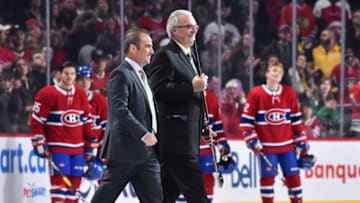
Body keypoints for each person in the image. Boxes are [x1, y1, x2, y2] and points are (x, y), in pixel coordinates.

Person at [91, 28, 162, 203]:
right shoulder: (120, 74)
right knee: (104, 198)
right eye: (148, 46)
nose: (152, 51)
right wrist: (143, 133)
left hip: (147, 152)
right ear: (133, 49)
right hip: (126, 151)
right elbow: (119, 110)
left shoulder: (142, 75)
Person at [149, 9, 211, 203]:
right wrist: (192, 87)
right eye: (189, 27)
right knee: (198, 196)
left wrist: (201, 127)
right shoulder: (165, 55)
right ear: (174, 30)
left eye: (195, 26)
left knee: (165, 196)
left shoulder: (189, 55)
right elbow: (158, 90)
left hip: (185, 139)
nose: (194, 30)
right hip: (177, 141)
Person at [239, 62, 315, 203]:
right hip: (267, 149)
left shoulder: (289, 93)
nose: (277, 73)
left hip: (288, 148)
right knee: (267, 181)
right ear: (267, 73)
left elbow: (296, 122)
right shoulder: (256, 93)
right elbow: (245, 123)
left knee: (294, 180)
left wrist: (303, 147)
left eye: (280, 71)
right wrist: (252, 139)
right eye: (274, 70)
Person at [30, 61, 100, 203]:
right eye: (66, 73)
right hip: (58, 148)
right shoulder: (48, 93)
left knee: (74, 188)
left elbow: (86, 121)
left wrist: (91, 144)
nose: (69, 77)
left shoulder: (81, 94)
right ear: (60, 74)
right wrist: (39, 141)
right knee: (59, 187)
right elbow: (36, 121)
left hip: (78, 149)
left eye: (72, 74)